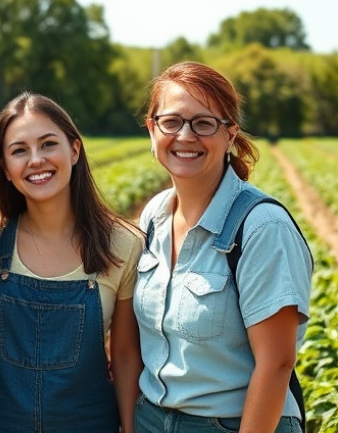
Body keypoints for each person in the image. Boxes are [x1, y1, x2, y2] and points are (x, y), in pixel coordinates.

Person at [133, 61, 312, 433]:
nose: (185, 136)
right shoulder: (154, 216)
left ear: (230, 134)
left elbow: (277, 363)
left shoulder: (262, 227)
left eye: (204, 123)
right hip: (152, 419)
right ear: (152, 130)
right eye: (171, 122)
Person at [0, 93, 143, 433]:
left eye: (48, 144)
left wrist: (128, 428)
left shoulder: (122, 245)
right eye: (19, 150)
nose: (36, 160)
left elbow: (126, 355)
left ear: (74, 150)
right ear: (6, 170)